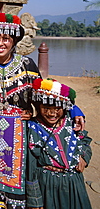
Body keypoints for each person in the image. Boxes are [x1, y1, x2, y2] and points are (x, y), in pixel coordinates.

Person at [0, 12, 85, 209]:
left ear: (13, 41)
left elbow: (48, 92)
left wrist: (74, 109)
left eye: (6, 38)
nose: (0, 43)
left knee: (16, 189)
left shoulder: (27, 66)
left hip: (19, 136)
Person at [26, 78, 92, 209]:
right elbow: (30, 166)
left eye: (57, 108)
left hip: (74, 183)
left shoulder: (71, 122)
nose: (52, 113)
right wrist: (34, 199)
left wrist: (84, 157)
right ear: (38, 106)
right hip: (48, 185)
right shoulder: (32, 129)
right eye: (46, 108)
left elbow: (85, 140)